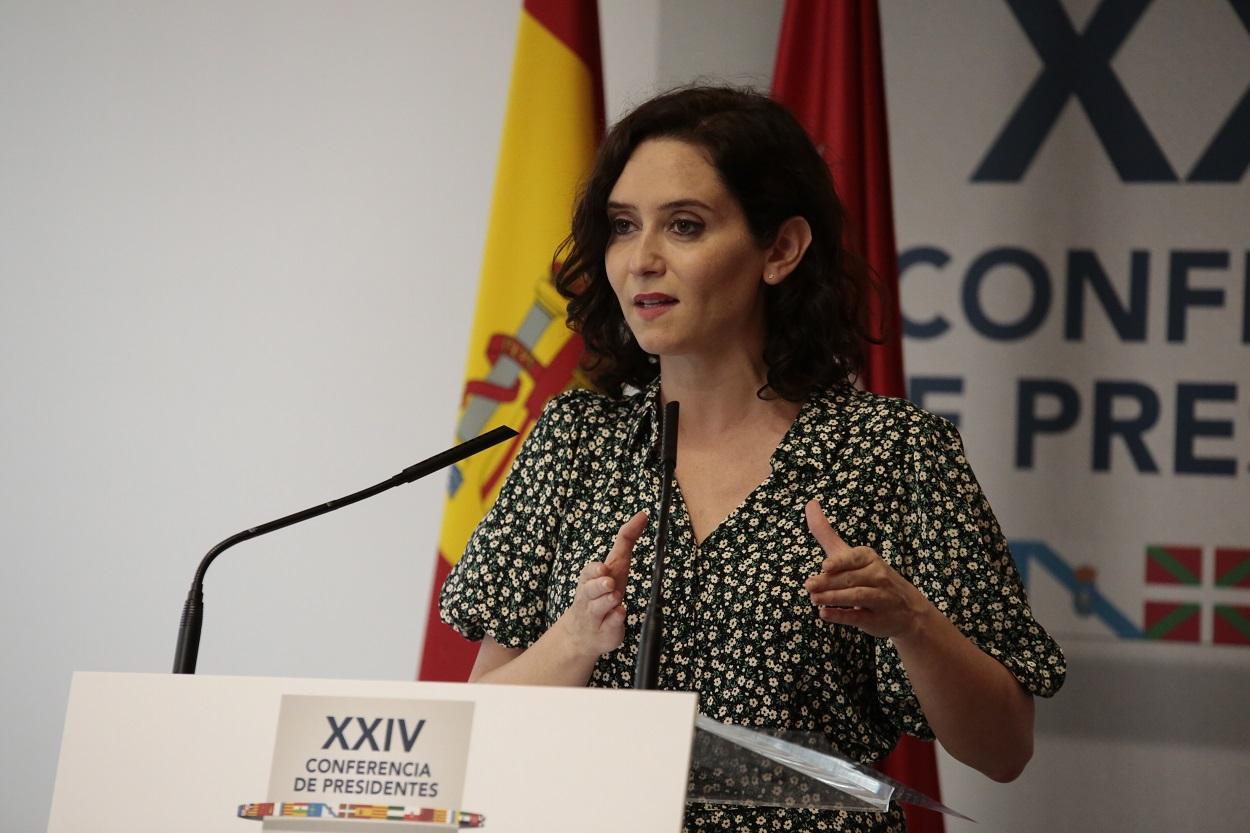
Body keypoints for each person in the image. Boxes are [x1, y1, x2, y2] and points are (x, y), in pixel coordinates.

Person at [439, 86, 1065, 833]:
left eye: (684, 226)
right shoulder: (574, 442)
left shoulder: (892, 453)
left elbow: (1004, 749)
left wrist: (913, 623)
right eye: (622, 227)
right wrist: (575, 637)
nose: (642, 260)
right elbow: (479, 732)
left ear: (781, 249)